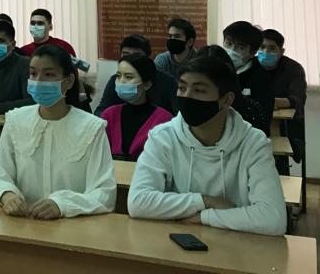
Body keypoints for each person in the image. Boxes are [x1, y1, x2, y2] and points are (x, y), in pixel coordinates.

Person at [127, 55, 287, 235]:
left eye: (199, 90)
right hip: (176, 242)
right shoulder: (162, 137)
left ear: (226, 100)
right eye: (182, 88)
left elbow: (273, 219)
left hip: (236, 245)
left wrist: (203, 217)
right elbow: (138, 202)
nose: (187, 96)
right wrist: (205, 201)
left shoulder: (254, 143)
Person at [0, 44, 116, 218]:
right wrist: (6, 194)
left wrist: (62, 205)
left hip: (72, 223)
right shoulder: (16, 120)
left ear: (68, 81)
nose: (38, 81)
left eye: (48, 74)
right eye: (33, 73)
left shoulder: (92, 128)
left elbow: (104, 192)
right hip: (22, 221)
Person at [100, 54, 173, 161]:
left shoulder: (164, 119)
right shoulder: (109, 115)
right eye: (119, 76)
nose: (121, 81)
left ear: (147, 85)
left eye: (129, 77)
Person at [260, 29, 308, 171]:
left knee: (279, 164)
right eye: (262, 47)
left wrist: (272, 102)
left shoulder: (293, 69)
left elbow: (297, 99)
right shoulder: (252, 67)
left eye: (272, 48)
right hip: (256, 124)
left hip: (284, 126)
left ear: (281, 51)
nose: (266, 52)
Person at [94, 35, 176, 116]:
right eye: (126, 55)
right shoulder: (115, 80)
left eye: (136, 56)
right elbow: (101, 111)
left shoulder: (167, 81)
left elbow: (176, 114)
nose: (130, 60)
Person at [222, 20, 274, 134]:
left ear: (253, 52)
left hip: (247, 135)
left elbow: (262, 118)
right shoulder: (213, 69)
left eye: (240, 47)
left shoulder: (261, 77)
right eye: (229, 44)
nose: (232, 51)